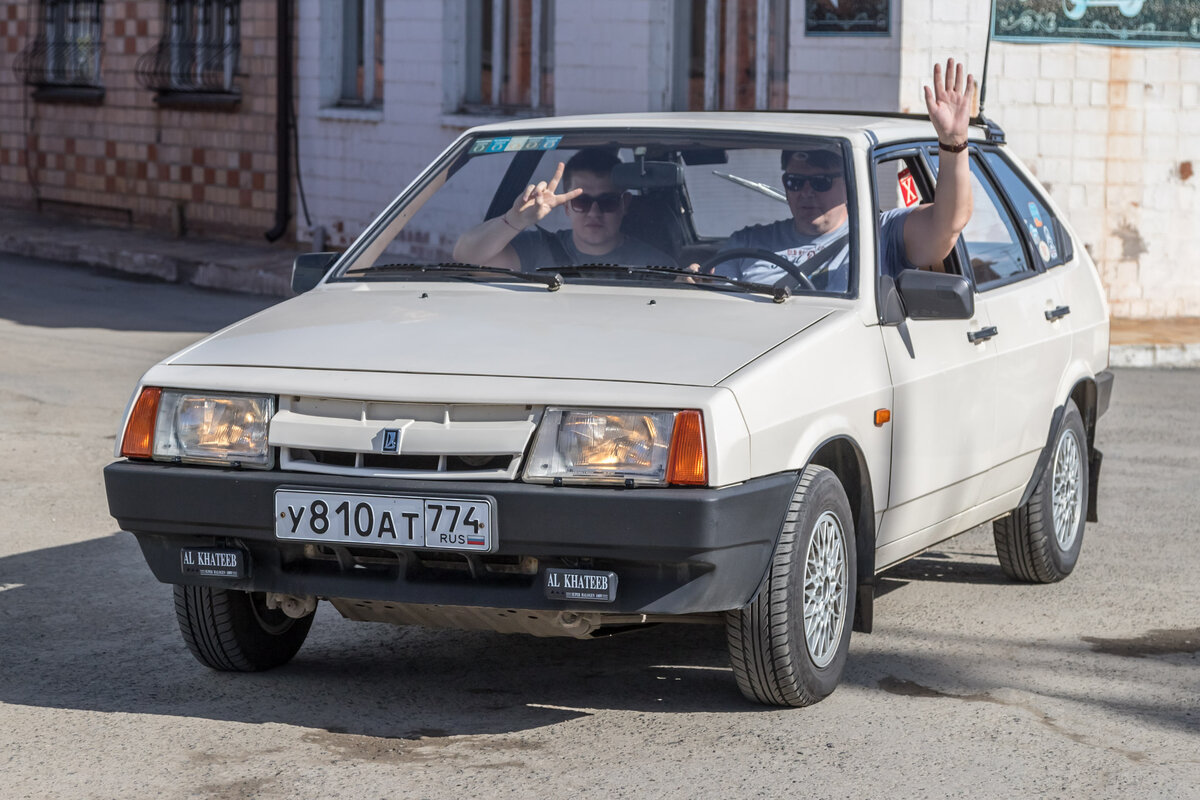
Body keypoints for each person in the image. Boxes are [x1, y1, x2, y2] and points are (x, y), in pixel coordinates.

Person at [706, 58, 976, 290]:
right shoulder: (748, 243)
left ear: (848, 184)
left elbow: (949, 222)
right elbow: (720, 304)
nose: (806, 192)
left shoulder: (883, 233)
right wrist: (697, 283)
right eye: (795, 182)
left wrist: (953, 142)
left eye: (821, 182)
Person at [452, 148, 675, 271]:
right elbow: (465, 256)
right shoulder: (537, 249)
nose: (594, 213)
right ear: (566, 206)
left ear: (625, 204)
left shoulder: (655, 264)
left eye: (607, 202)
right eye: (582, 202)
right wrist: (515, 220)